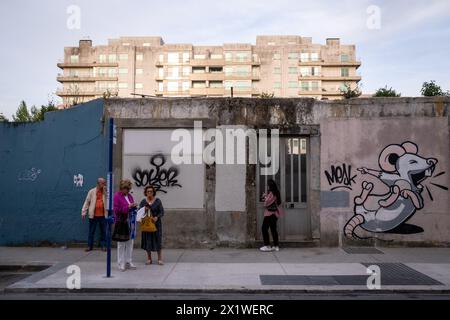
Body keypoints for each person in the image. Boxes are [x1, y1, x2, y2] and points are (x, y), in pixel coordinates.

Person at [113, 179, 138, 271]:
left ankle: (128, 261)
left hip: (130, 221)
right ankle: (120, 263)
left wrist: (134, 206)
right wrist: (128, 207)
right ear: (121, 188)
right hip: (121, 222)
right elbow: (116, 210)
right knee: (121, 243)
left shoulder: (130, 196)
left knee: (130, 242)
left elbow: (131, 208)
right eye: (124, 188)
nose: (126, 190)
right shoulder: (117, 196)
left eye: (127, 188)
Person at [139, 185, 165, 265]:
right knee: (148, 240)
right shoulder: (143, 202)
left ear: (153, 192)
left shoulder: (157, 201)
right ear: (145, 193)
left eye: (151, 191)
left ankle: (159, 259)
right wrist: (144, 210)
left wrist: (157, 217)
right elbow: (139, 212)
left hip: (156, 224)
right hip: (147, 224)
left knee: (158, 240)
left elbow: (162, 212)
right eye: (148, 192)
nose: (149, 193)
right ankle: (149, 259)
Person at [81, 178, 107, 252]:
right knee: (91, 231)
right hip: (93, 215)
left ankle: (103, 246)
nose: (104, 184)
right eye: (103, 183)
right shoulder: (92, 191)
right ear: (98, 183)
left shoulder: (105, 192)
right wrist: (83, 212)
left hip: (103, 215)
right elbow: (87, 202)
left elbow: (109, 199)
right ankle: (89, 246)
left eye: (104, 183)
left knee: (103, 231)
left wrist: (105, 191)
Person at [260, 179, 283, 252]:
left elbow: (266, 203)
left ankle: (267, 245)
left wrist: (265, 197)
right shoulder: (276, 193)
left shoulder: (272, 193)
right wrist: (267, 196)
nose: (267, 187)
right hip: (275, 214)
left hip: (269, 214)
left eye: (268, 185)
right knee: (273, 229)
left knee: (264, 228)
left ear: (270, 186)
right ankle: (276, 246)